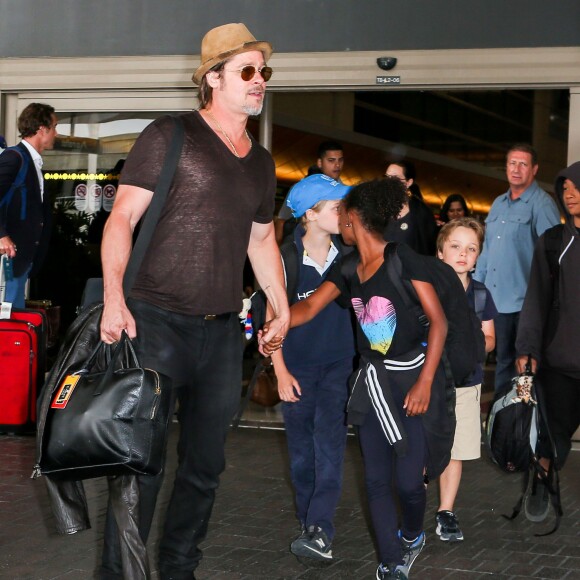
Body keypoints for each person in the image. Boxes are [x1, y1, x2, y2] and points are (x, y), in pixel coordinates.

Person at [98, 23, 289, 580]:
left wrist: (280, 306)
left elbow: (261, 241)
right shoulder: (170, 134)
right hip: (154, 323)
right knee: (141, 469)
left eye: (264, 73)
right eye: (247, 71)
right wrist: (115, 298)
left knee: (205, 469)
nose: (259, 83)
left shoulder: (261, 161)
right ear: (213, 78)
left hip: (222, 334)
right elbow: (121, 220)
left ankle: (180, 569)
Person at [271, 178, 454, 579]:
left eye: (343, 215)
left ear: (354, 219)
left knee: (408, 483)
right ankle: (390, 561)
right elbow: (311, 307)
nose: (341, 222)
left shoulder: (403, 259)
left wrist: (425, 383)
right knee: (374, 479)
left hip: (412, 381)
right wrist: (278, 324)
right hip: (371, 385)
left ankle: (411, 535)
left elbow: (438, 323)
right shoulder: (348, 266)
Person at [271, 174, 355, 561]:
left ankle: (321, 526)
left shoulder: (350, 256)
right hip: (297, 368)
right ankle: (310, 523)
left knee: (330, 446)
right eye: (336, 207)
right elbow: (272, 318)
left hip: (339, 365)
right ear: (310, 214)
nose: (343, 213)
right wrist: (280, 371)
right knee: (302, 452)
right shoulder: (283, 259)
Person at [514, 161, 580, 522]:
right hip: (561, 360)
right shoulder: (554, 241)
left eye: (576, 187)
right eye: (564, 188)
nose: (569, 194)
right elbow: (536, 298)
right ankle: (540, 478)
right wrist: (528, 349)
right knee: (554, 436)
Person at [474, 144, 560, 393]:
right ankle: (503, 422)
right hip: (495, 300)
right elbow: (486, 251)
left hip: (525, 303)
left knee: (525, 364)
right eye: (512, 163)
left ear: (534, 169)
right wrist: (476, 289)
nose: (516, 169)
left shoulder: (541, 204)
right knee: (501, 363)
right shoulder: (498, 203)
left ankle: (525, 421)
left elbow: (554, 256)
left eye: (523, 164)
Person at [434, 218, 497, 542]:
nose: (463, 254)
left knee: (456, 451)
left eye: (471, 249)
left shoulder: (481, 294)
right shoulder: (428, 289)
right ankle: (413, 503)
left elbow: (490, 337)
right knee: (425, 446)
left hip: (466, 382)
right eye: (456, 247)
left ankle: (446, 511)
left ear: (478, 256)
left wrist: (474, 345)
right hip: (429, 382)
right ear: (441, 251)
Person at [0, 103, 57, 307]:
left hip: (21, 260)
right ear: (42, 129)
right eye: (54, 127)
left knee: (11, 322)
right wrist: (1, 235)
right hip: (9, 259)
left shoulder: (32, 162)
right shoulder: (14, 157)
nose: (56, 134)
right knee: (5, 323)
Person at [275, 140, 345, 243]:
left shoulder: (346, 192)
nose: (337, 165)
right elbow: (282, 221)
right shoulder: (301, 190)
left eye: (340, 160)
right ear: (320, 163)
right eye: (331, 160)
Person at [384, 161, 438, 256]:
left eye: (395, 178)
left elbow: (427, 248)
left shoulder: (421, 213)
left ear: (409, 182)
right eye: (387, 177)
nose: (389, 182)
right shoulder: (376, 207)